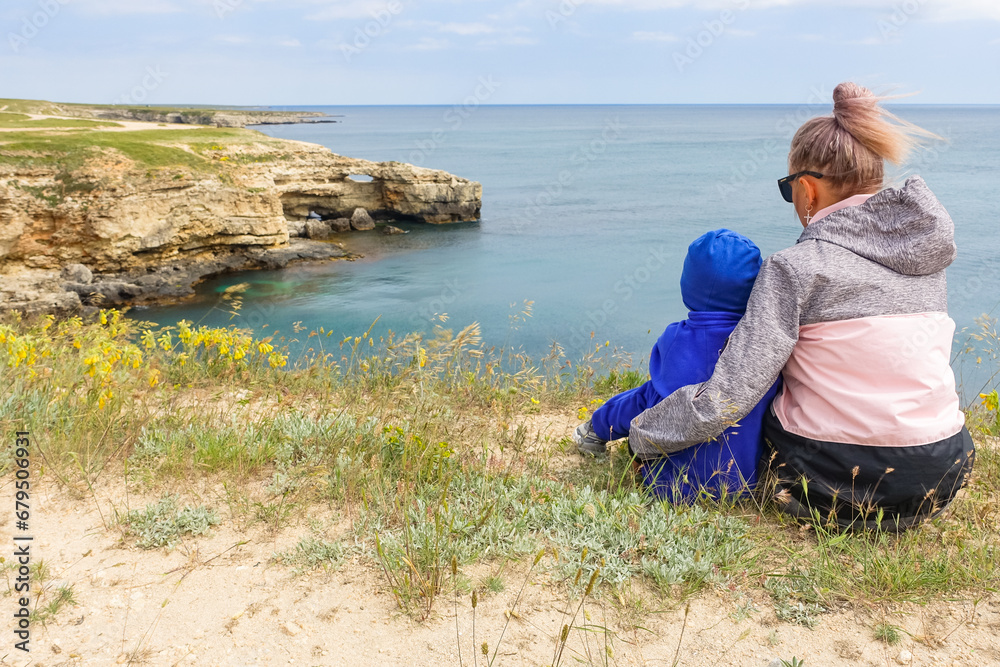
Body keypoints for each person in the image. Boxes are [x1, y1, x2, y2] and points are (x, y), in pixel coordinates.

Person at [628, 82, 976, 530]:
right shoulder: (927, 259)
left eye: (788, 188)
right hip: (941, 473)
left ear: (807, 190)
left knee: (767, 397)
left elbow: (726, 399)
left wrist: (642, 433)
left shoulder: (794, 268)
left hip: (834, 482)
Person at [574, 229, 781, 501]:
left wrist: (601, 424)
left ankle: (596, 430)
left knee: (652, 396)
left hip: (672, 487)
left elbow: (646, 401)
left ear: (689, 284)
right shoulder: (764, 347)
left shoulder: (676, 339)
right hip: (746, 486)